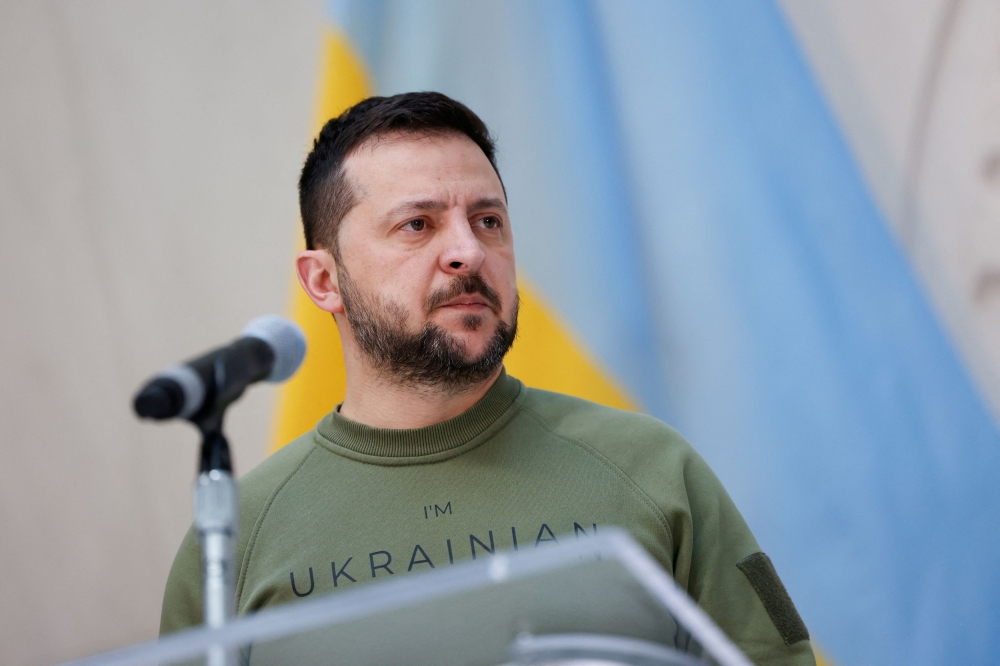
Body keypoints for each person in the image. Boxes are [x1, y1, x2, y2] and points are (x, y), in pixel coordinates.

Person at [160, 92, 815, 665]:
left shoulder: (654, 471)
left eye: (488, 221)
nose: (468, 252)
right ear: (324, 281)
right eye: (417, 225)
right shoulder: (233, 540)